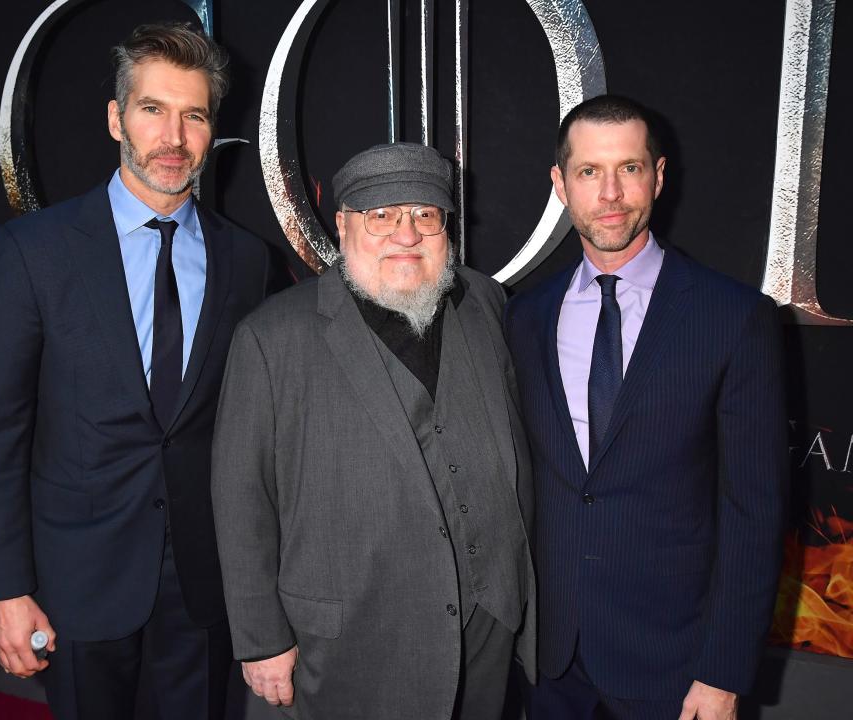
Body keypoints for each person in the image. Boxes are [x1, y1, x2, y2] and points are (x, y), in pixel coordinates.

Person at [0, 22, 274, 719]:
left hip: (203, 587)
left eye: (194, 115)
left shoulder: (246, 261)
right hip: (76, 584)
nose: (174, 137)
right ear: (115, 118)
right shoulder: (35, 250)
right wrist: (6, 590)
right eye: (152, 109)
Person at [209, 142, 536, 719]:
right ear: (342, 225)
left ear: (446, 228)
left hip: (487, 632)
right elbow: (241, 499)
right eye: (381, 216)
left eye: (425, 216)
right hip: (346, 647)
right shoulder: (271, 338)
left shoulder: (485, 302)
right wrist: (261, 639)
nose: (405, 234)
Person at [504, 94, 787, 720]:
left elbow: (754, 510)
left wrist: (723, 670)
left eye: (628, 168)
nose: (610, 193)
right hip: (550, 660)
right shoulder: (524, 318)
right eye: (588, 172)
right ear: (560, 184)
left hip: (678, 664)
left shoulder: (733, 318)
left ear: (658, 176)